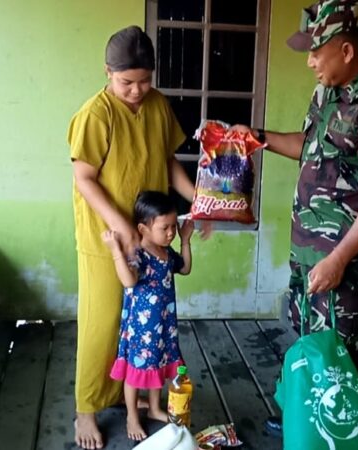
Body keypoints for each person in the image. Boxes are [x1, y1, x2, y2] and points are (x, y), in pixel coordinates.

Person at [232, 0, 358, 434]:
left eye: (317, 51)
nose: (310, 62)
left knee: (344, 347)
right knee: (308, 334)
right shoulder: (329, 92)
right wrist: (259, 139)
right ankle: (304, 413)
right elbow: (313, 146)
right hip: (310, 249)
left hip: (344, 259)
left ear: (348, 51)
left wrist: (339, 259)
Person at [67, 26, 209, 449]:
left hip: (150, 239)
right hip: (106, 237)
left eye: (144, 80)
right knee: (102, 321)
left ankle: (137, 398)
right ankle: (85, 411)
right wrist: (121, 225)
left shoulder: (158, 105)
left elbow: (168, 163)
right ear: (107, 72)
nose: (136, 90)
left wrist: (201, 200)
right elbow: (84, 177)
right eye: (126, 82)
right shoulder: (96, 113)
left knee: (146, 323)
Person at [104, 191, 193, 441]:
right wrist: (115, 250)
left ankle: (154, 408)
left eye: (174, 227)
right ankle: (132, 415)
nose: (171, 232)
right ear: (143, 228)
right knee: (136, 371)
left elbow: (185, 268)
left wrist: (186, 240)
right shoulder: (139, 254)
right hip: (141, 328)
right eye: (165, 227)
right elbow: (129, 281)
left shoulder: (167, 252)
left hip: (164, 324)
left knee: (161, 365)